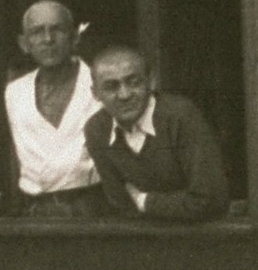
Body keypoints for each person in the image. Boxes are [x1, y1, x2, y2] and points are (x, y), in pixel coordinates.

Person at [83, 45, 229, 221]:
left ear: (151, 82)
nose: (124, 94)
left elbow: (211, 201)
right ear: (96, 93)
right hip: (144, 240)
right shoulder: (97, 130)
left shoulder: (180, 117)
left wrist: (144, 201)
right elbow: (121, 204)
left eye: (134, 82)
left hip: (202, 238)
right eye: (111, 87)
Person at [3, 1, 103, 218]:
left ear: (75, 37)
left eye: (57, 29)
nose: (48, 39)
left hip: (91, 207)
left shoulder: (100, 83)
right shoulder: (15, 92)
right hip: (35, 211)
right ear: (24, 44)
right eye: (37, 32)